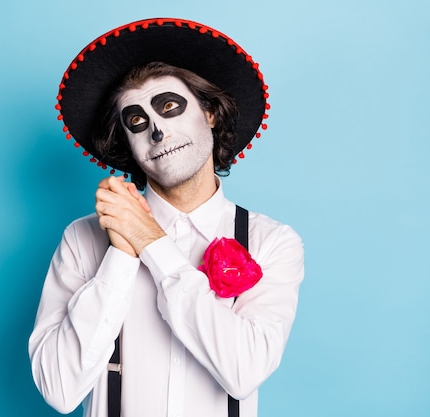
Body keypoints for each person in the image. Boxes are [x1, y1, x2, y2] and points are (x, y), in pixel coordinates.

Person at [29, 18, 304, 417]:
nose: (156, 130)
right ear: (128, 142)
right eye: (136, 121)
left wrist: (152, 243)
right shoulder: (83, 238)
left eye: (169, 107)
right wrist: (121, 256)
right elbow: (59, 389)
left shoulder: (271, 241)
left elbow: (245, 371)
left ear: (209, 113)